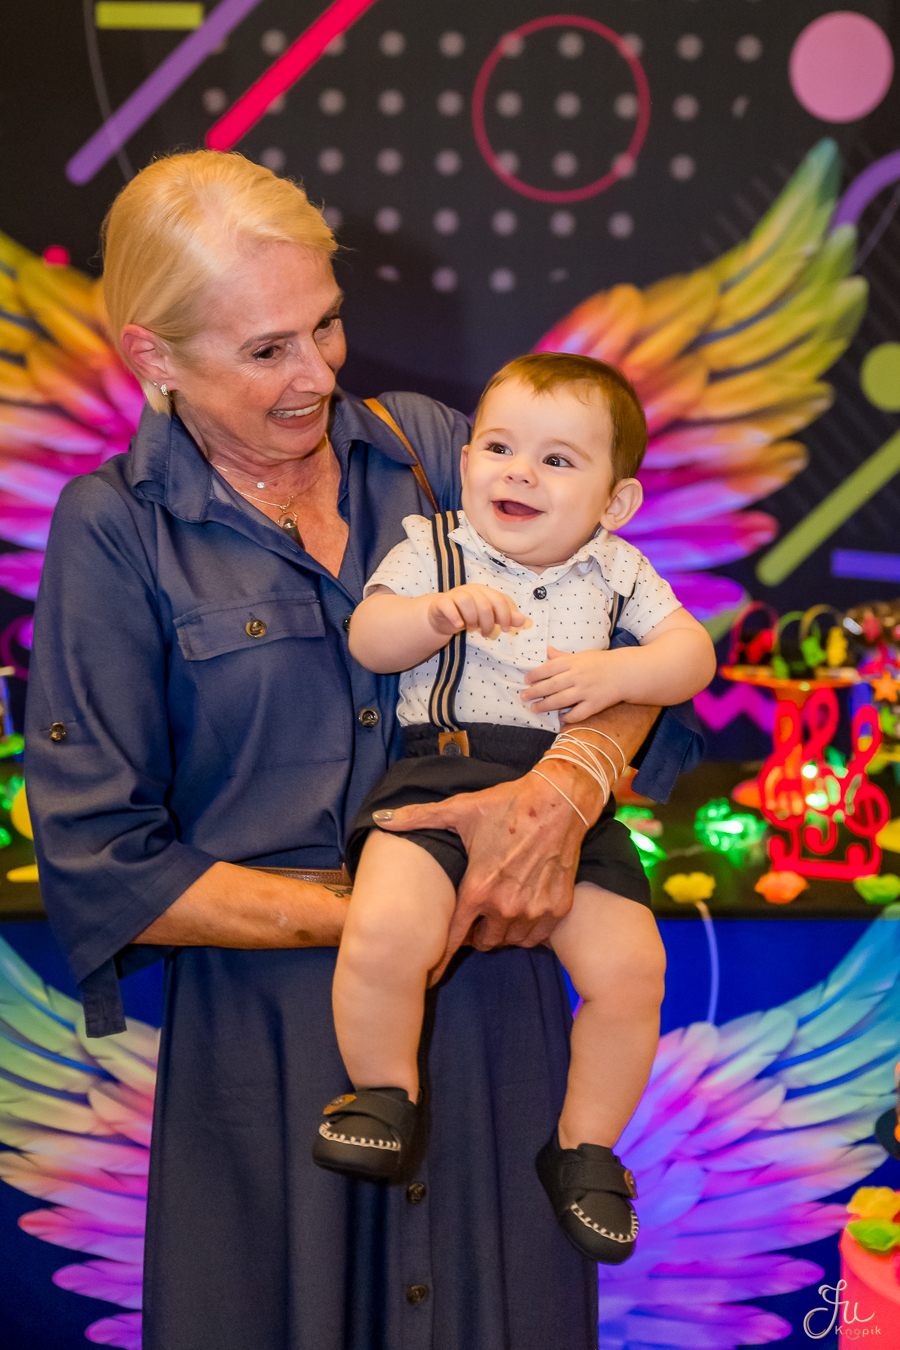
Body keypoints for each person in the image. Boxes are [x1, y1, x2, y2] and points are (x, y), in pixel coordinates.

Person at [25, 149, 703, 1350]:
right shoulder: (116, 529)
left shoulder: (439, 448)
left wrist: (565, 789)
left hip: (501, 1037)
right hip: (270, 1060)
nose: (319, 373)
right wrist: (398, 913)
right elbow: (102, 857)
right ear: (153, 356)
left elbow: (622, 646)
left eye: (326, 325)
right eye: (266, 350)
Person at [313, 354, 715, 1265]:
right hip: (437, 774)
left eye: (558, 460)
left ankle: (585, 1148)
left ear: (616, 502)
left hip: (566, 801)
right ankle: (381, 1093)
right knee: (387, 928)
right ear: (466, 465)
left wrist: (621, 670)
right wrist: (436, 615)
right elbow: (370, 638)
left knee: (632, 971)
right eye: (499, 448)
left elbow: (691, 657)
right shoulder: (434, 548)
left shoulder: (619, 571)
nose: (520, 473)